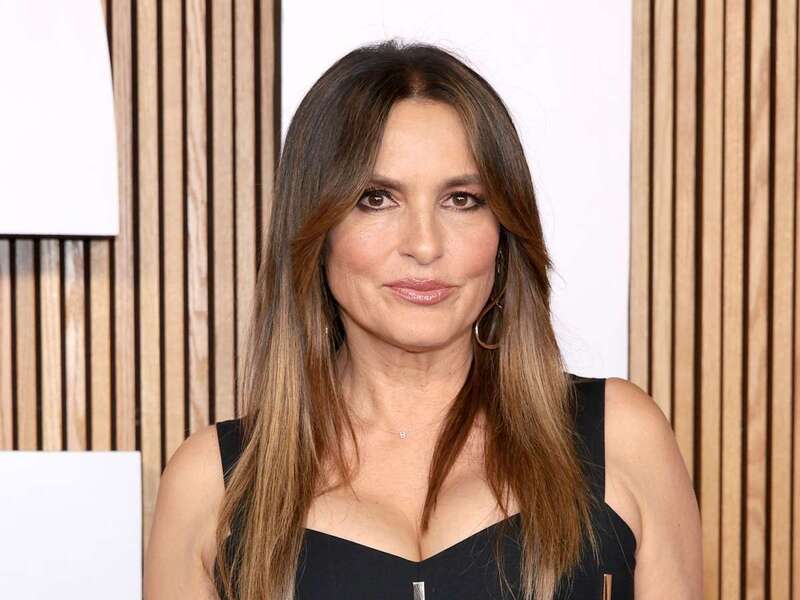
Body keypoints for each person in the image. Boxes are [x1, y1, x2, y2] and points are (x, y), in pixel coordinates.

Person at [143, 39, 702, 599]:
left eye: (461, 200)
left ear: (504, 232)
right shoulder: (214, 485)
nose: (425, 245)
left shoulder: (620, 438)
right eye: (376, 199)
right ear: (316, 229)